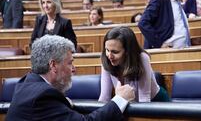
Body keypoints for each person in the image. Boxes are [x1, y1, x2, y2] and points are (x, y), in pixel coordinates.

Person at [6, 35, 135, 120]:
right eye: (70, 63)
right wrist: (120, 99)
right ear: (53, 65)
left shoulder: (27, 82)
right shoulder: (43, 96)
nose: (74, 69)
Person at [98, 26, 170, 102]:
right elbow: (104, 97)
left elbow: (144, 98)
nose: (109, 56)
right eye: (107, 50)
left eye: (115, 52)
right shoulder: (106, 59)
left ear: (127, 51)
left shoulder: (142, 58)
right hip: (129, 103)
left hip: (155, 101)